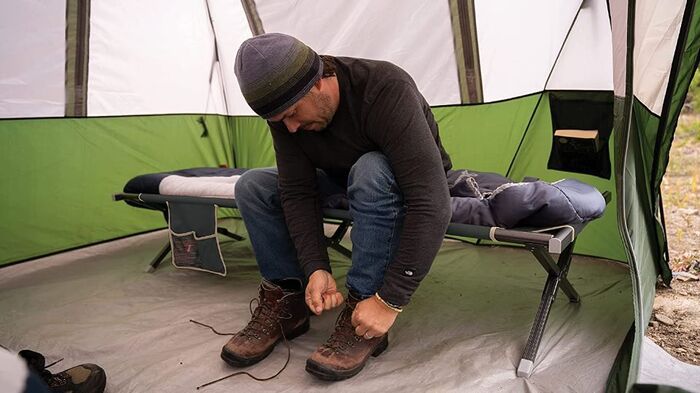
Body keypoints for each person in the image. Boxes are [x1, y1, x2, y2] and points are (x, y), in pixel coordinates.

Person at [221, 33, 452, 381]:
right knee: (253, 186)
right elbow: (296, 190)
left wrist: (390, 300)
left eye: (293, 114)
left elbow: (431, 202)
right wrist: (315, 267)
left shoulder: (385, 88)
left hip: (402, 178)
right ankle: (289, 301)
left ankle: (364, 307)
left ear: (318, 82)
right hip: (342, 176)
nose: (291, 127)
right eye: (279, 121)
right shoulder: (288, 116)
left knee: (371, 169)